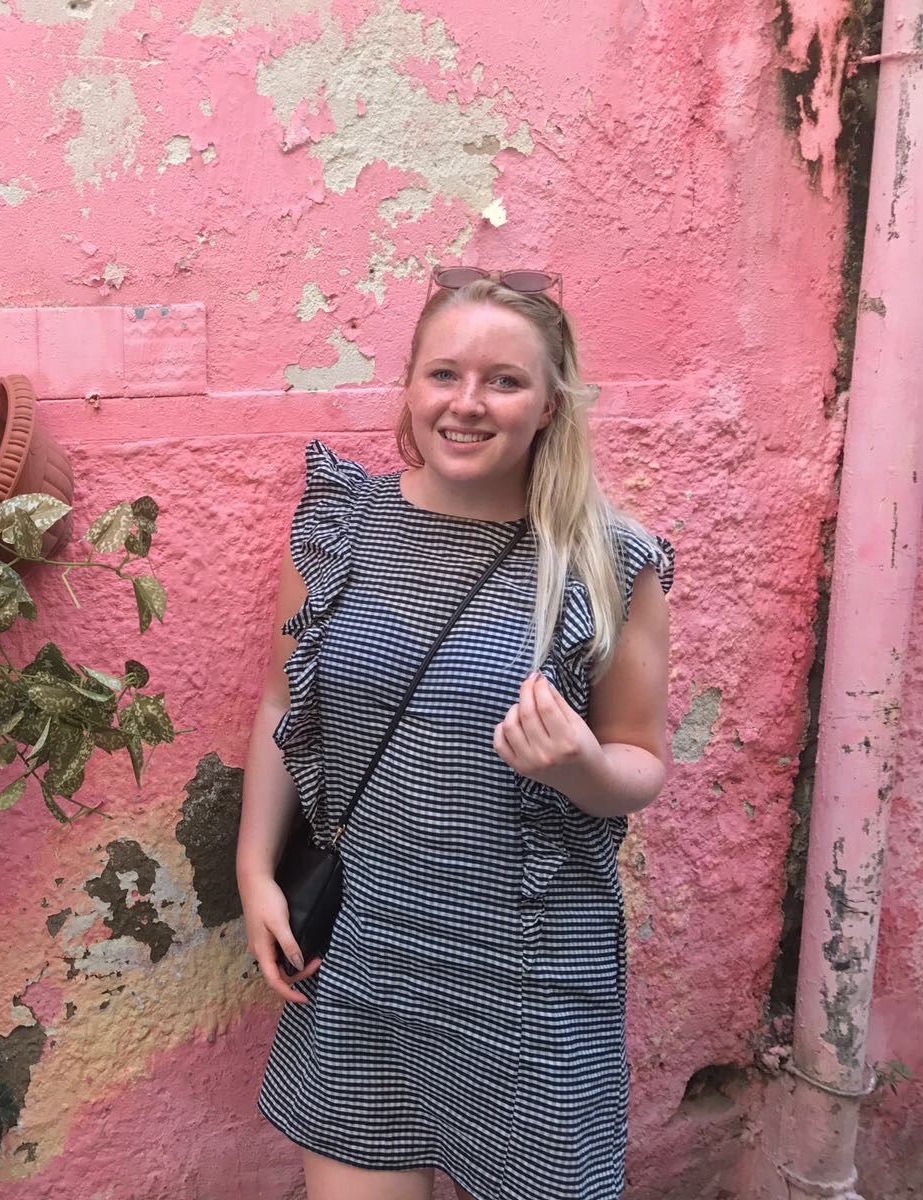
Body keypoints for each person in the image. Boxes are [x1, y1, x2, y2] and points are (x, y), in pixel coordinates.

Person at [236, 268, 674, 1200]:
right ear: (409, 386)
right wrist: (253, 870)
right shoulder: (341, 529)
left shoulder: (605, 559)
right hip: (369, 951)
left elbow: (641, 762)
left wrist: (581, 766)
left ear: (549, 405)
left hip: (529, 972)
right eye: (444, 374)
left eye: (504, 381)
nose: (467, 404)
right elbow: (281, 704)